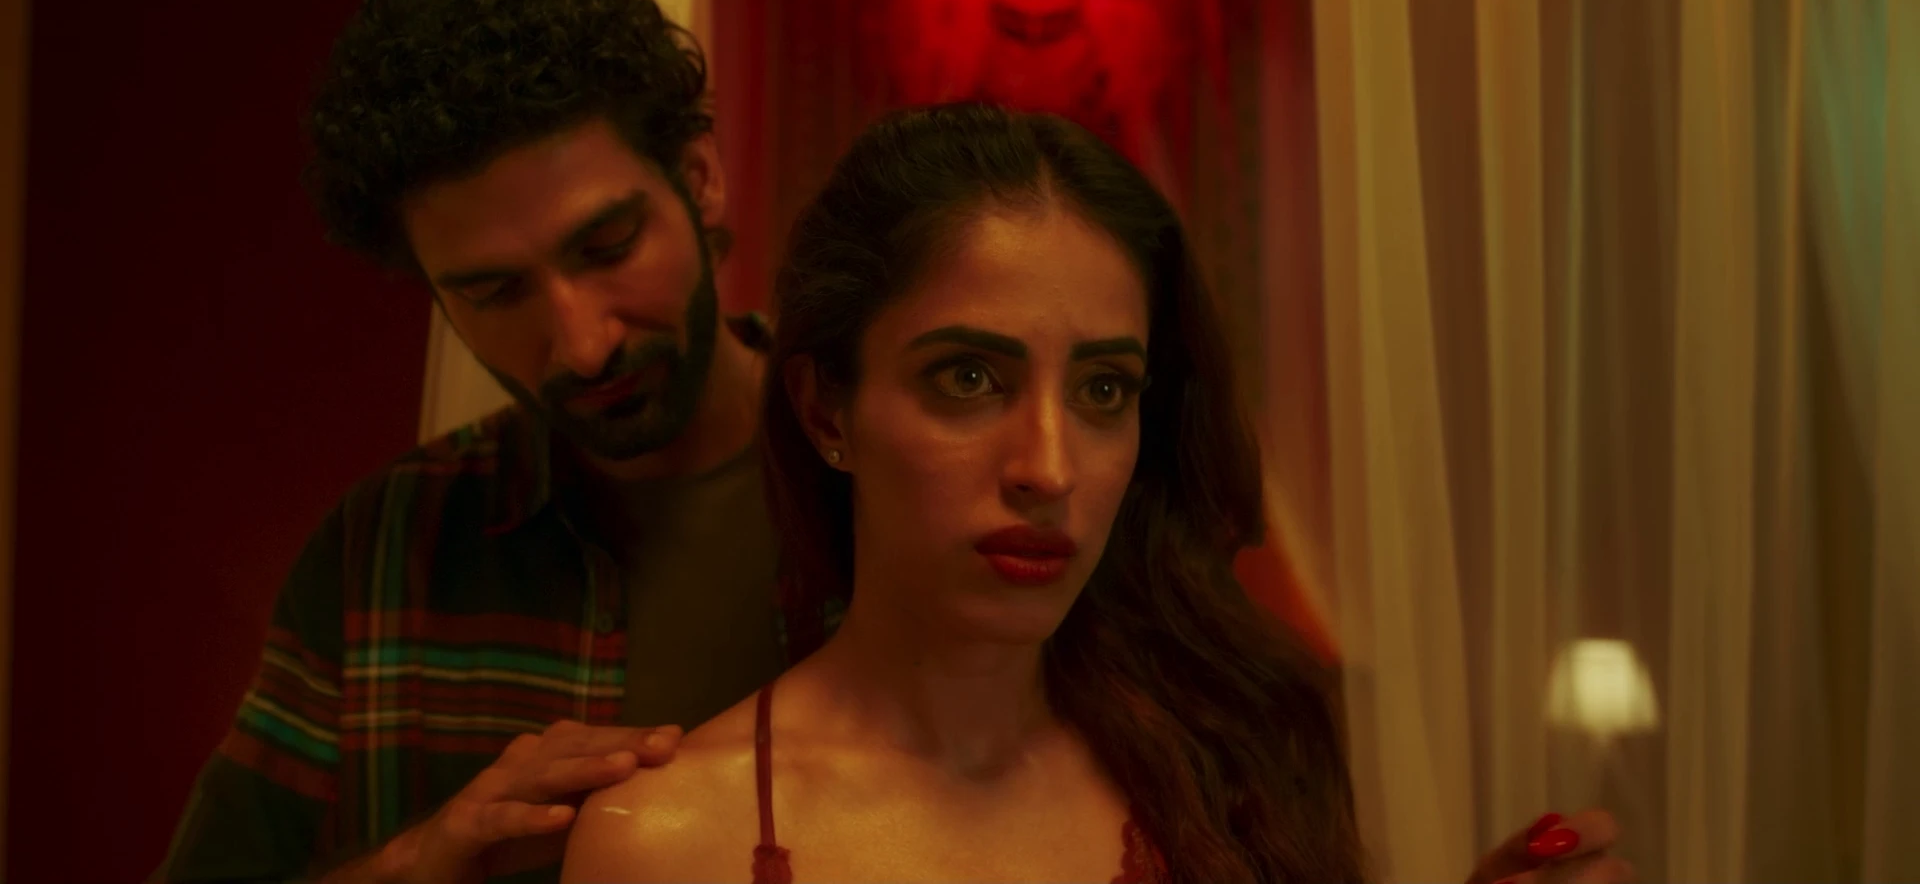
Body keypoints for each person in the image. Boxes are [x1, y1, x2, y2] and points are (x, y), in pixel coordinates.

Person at [158, 0, 1624, 884]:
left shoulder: (991, 541)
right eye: (491, 292)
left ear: (701, 181)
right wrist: (419, 864)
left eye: (608, 246)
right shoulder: (391, 561)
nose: (578, 335)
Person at [557, 104, 1635, 884]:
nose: (1049, 466)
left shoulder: (1236, 774)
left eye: (1103, 389)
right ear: (828, 410)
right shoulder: (665, 843)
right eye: (968, 378)